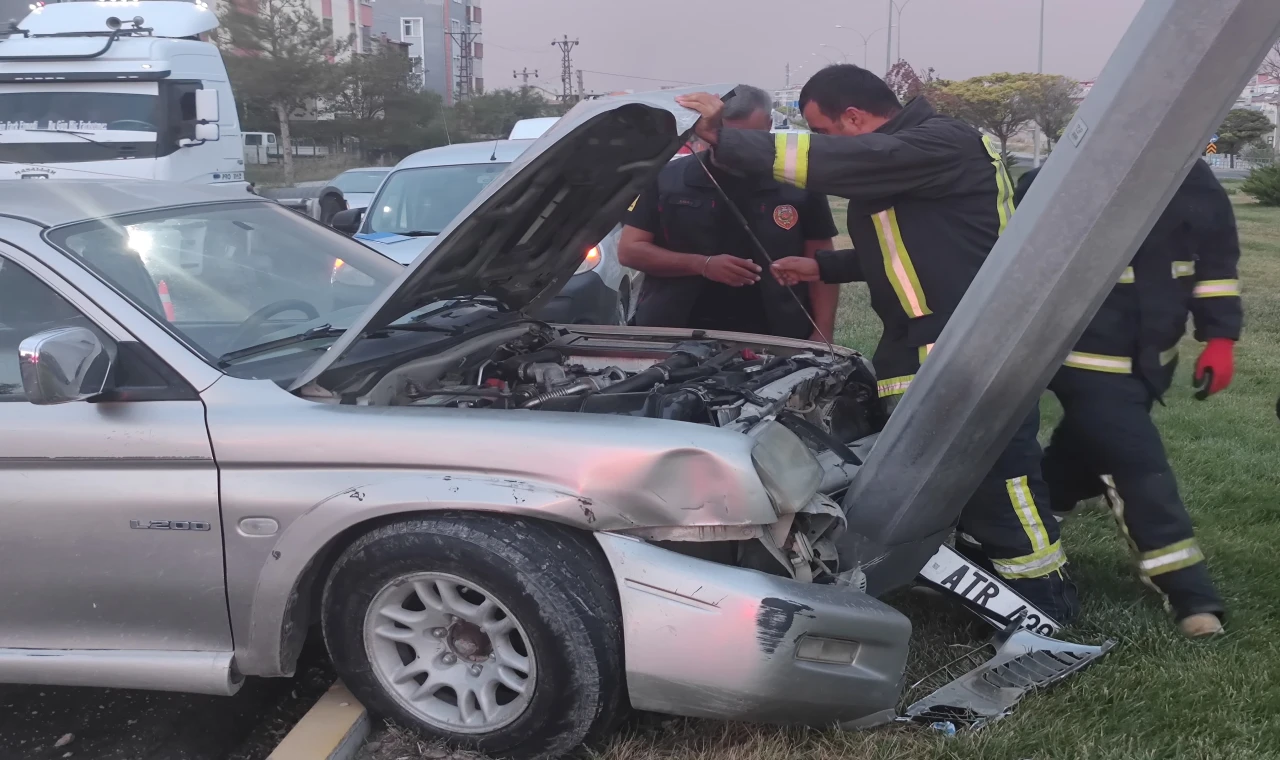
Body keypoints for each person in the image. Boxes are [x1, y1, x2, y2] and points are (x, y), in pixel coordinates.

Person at [676, 65, 1078, 623]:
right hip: (925, 340)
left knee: (996, 471)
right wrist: (821, 265)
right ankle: (977, 577)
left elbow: (856, 163)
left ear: (855, 117)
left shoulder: (936, 143)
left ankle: (1042, 596)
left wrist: (730, 138)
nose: (822, 145)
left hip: (964, 341)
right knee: (929, 476)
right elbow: (907, 249)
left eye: (823, 132)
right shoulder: (912, 161)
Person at [1013, 161, 1240, 638]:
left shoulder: (1194, 177)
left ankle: (1039, 507)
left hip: (1151, 359)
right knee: (1138, 464)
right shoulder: (1076, 170)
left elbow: (1217, 263)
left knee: (1087, 443)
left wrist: (1221, 338)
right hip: (1086, 355)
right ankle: (1190, 595)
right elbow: (1026, 232)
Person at [618, 85, 840, 341]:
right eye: (726, 137)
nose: (735, 149)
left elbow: (821, 263)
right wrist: (702, 265)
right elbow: (630, 250)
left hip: (777, 334)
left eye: (748, 139)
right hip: (675, 331)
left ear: (768, 125)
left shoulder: (796, 183)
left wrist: (823, 331)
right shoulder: (666, 178)